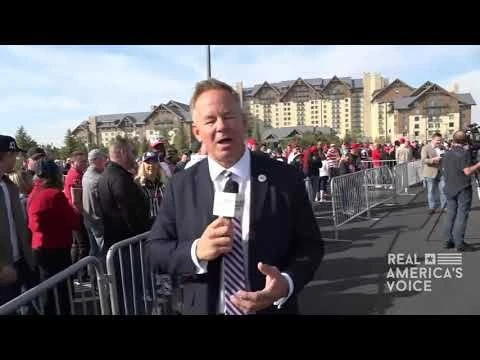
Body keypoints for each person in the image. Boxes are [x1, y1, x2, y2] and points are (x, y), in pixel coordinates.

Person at [146, 78, 324, 315]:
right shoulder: (181, 185)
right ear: (197, 131)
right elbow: (155, 251)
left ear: (244, 122)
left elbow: (310, 247)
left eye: (228, 116)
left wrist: (286, 283)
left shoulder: (285, 178)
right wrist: (196, 250)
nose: (221, 126)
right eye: (210, 120)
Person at [98, 138, 150, 314]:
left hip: (120, 245)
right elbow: (130, 213)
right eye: (132, 152)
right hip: (127, 246)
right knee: (132, 295)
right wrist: (143, 231)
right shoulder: (119, 178)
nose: (134, 157)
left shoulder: (108, 175)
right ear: (121, 152)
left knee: (124, 294)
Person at [28, 159, 81, 314]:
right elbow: (74, 221)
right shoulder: (54, 195)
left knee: (47, 294)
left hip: (39, 249)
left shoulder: (33, 194)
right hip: (56, 251)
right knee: (61, 295)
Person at [0, 135, 35, 306]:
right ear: (4, 155)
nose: (16, 159)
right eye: (13, 155)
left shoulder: (10, 186)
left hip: (19, 263)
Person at [442, 130, 480, 251]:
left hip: (449, 186)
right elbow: (467, 171)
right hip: (462, 187)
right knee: (462, 215)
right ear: (465, 141)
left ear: (453, 139)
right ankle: (459, 243)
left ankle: (448, 241)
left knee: (451, 214)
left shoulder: (447, 153)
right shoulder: (464, 154)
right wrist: (479, 164)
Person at [64, 151, 90, 270]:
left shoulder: (74, 173)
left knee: (77, 245)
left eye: (86, 160)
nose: (86, 163)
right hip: (77, 215)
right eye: (82, 161)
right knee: (83, 245)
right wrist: (85, 214)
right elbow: (76, 200)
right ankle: (80, 272)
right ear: (74, 163)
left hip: (73, 214)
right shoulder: (76, 176)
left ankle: (74, 272)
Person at [82, 149, 108, 256]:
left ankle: (92, 272)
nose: (105, 161)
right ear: (96, 160)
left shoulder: (86, 174)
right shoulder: (98, 179)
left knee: (94, 251)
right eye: (103, 159)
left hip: (89, 220)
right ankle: (103, 273)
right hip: (98, 221)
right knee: (103, 252)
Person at [135, 151, 169, 227]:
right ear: (143, 165)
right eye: (148, 162)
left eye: (154, 162)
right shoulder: (137, 184)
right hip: (146, 229)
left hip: (163, 225)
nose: (151, 165)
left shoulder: (162, 183)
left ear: (158, 165)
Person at [421, 132, 446, 214]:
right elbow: (423, 160)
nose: (439, 142)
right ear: (432, 139)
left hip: (441, 172)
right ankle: (432, 207)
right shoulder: (426, 148)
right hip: (430, 172)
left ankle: (444, 207)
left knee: (443, 189)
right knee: (431, 191)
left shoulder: (442, 147)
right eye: (437, 140)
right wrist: (434, 159)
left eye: (440, 140)